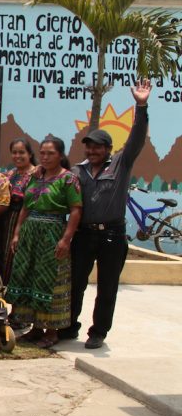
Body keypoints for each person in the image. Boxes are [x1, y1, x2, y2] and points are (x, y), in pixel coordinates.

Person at [66, 79, 151, 349]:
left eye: (97, 147)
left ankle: (98, 332)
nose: (92, 151)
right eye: (89, 147)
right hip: (83, 235)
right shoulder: (77, 171)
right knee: (75, 284)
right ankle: (69, 327)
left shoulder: (121, 165)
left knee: (107, 287)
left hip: (112, 235)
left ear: (108, 149)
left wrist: (141, 105)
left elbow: (136, 138)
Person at [5, 137, 82, 348]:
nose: (46, 157)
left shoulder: (68, 179)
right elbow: (26, 207)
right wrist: (17, 233)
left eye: (51, 153)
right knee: (28, 276)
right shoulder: (35, 177)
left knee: (50, 279)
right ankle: (35, 328)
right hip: (30, 231)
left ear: (60, 155)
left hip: (53, 231)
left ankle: (51, 331)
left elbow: (76, 210)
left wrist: (66, 239)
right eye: (43, 153)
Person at [3, 138, 38, 280]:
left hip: (27, 220)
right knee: (5, 255)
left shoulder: (37, 174)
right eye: (14, 152)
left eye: (21, 152)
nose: (17, 156)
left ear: (30, 154)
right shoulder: (9, 174)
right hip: (7, 220)